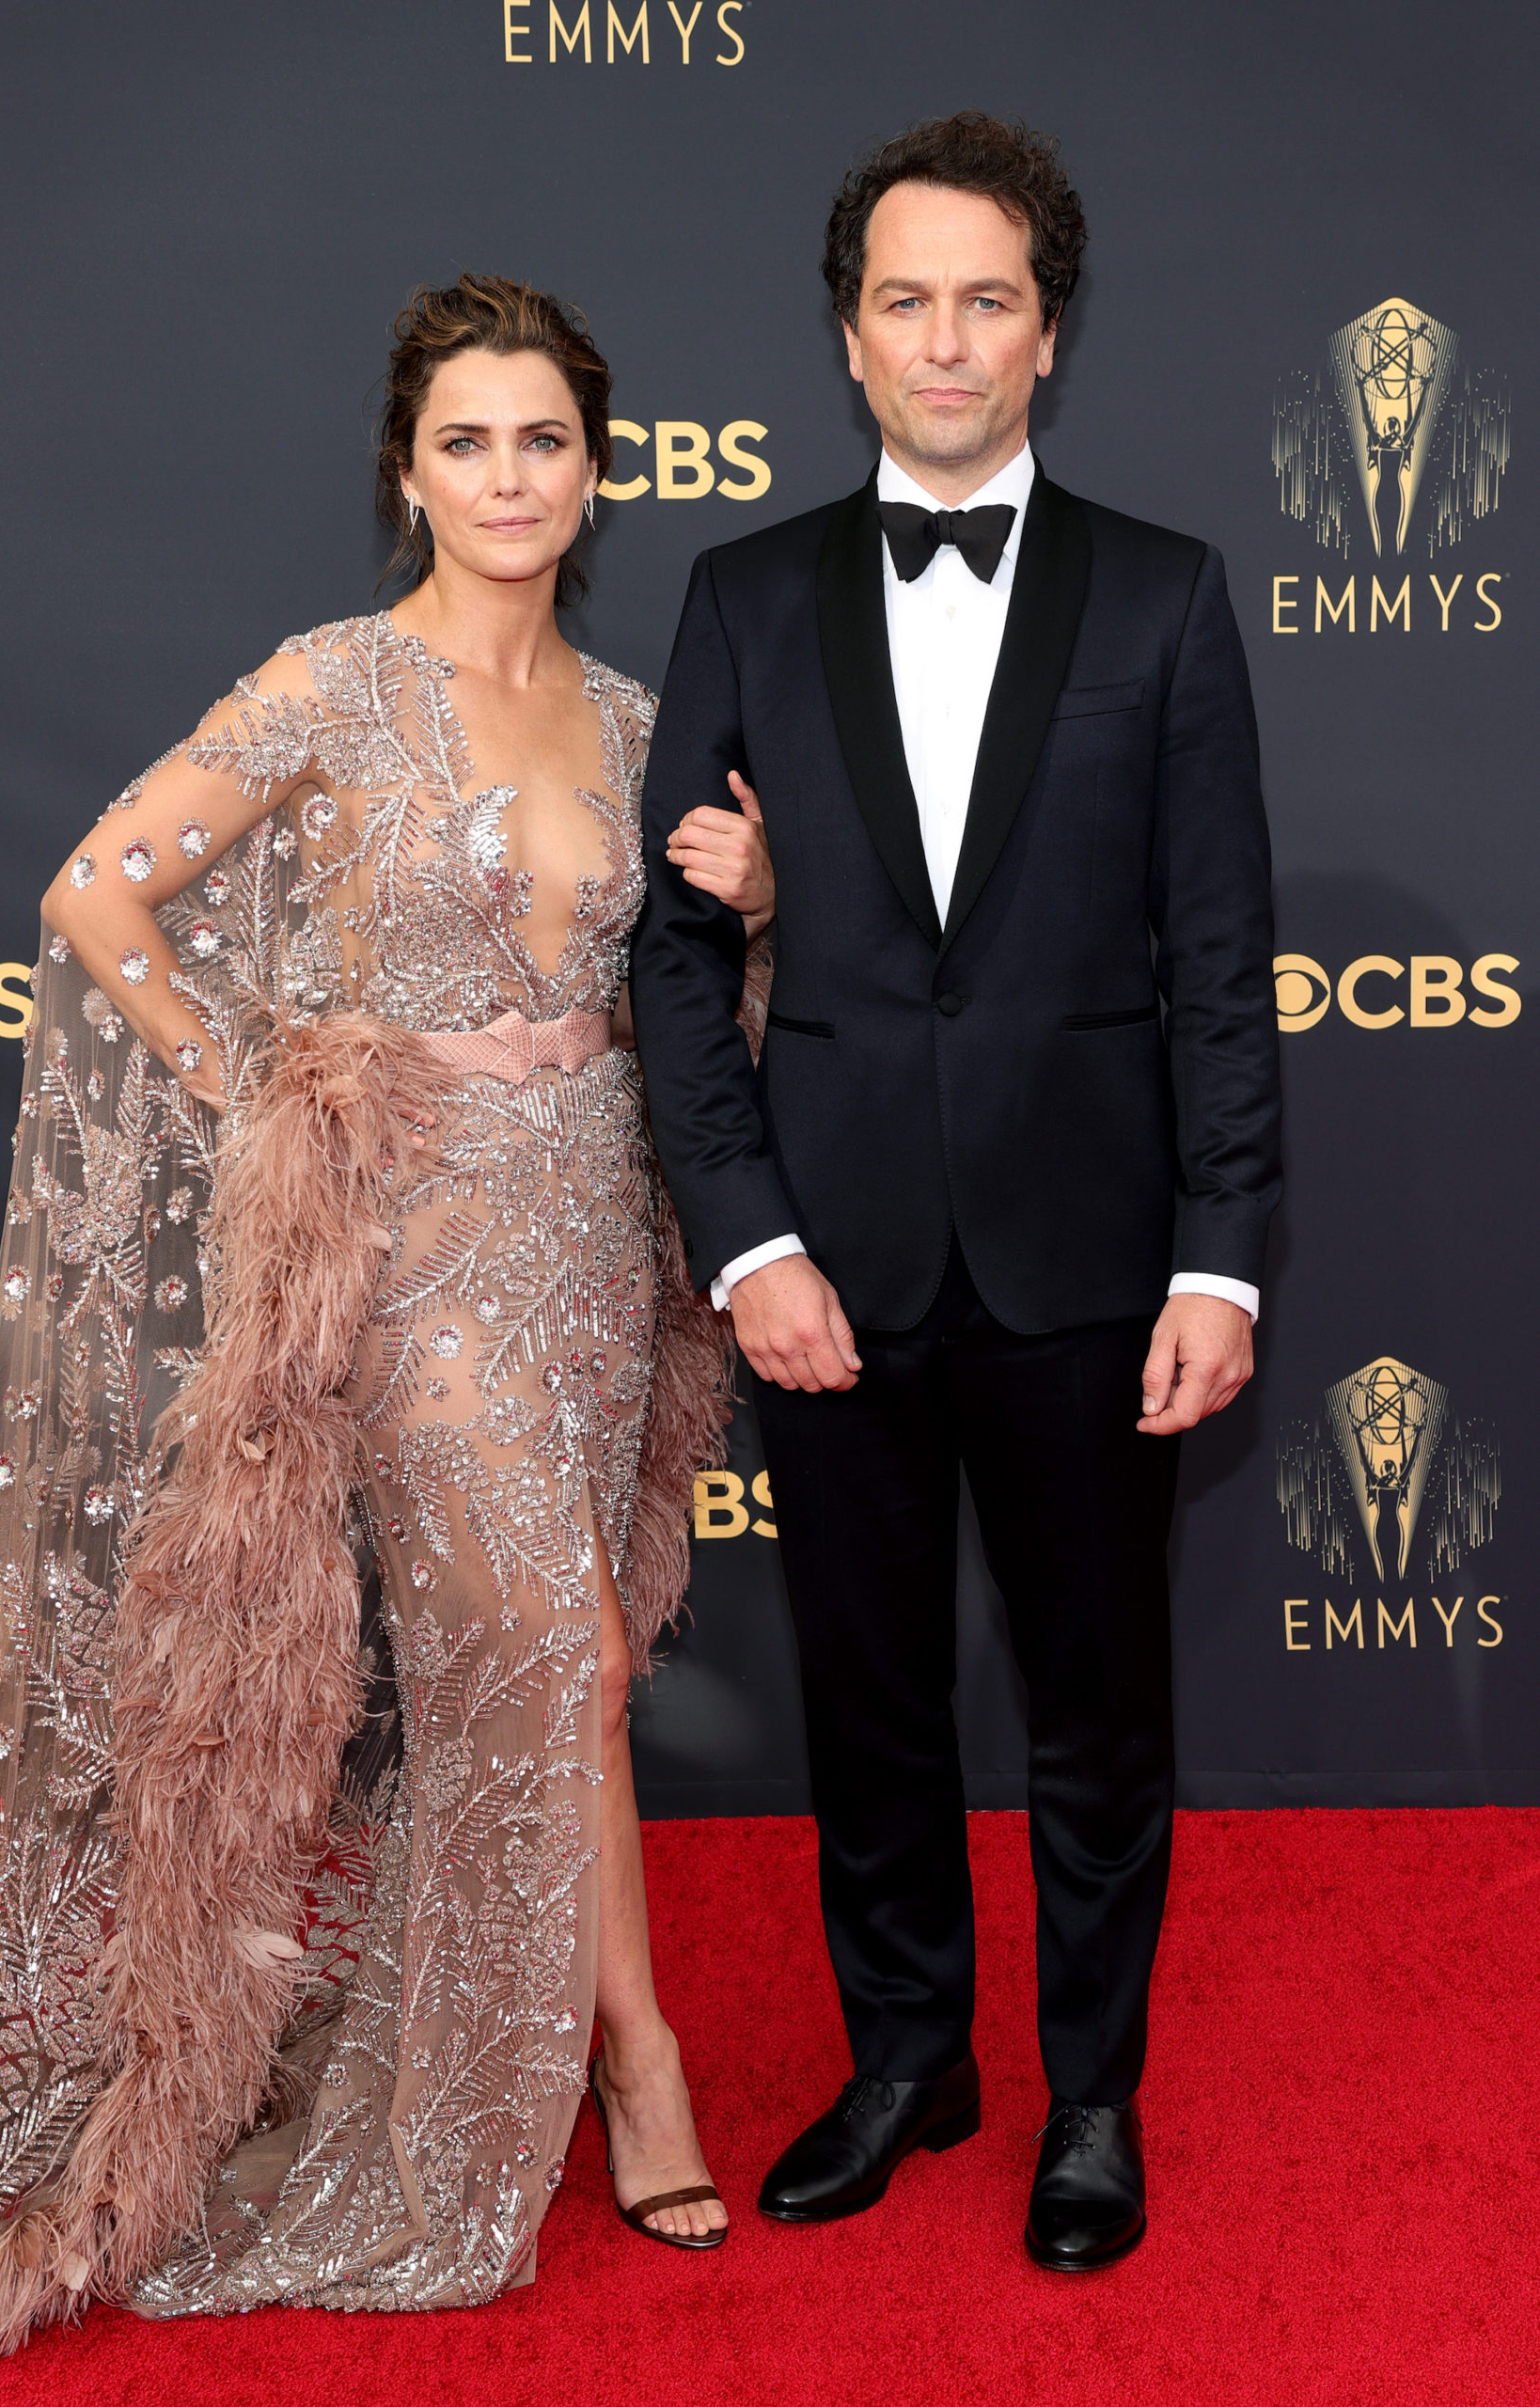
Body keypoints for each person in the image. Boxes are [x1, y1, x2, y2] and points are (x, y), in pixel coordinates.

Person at [0, 273, 776, 2368]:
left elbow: (682, 1004)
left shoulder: (637, 713)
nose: (508, 476)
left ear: (599, 470)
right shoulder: (326, 684)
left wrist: (748, 908)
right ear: (407, 469)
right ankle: (634, 2066)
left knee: (571, 1658)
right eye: (467, 439)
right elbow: (94, 887)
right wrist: (257, 1087)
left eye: (545, 439)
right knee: (548, 1647)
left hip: (595, 1230)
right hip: (408, 1252)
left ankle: (584, 2048)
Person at [634, 113, 1281, 2270]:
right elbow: (663, 953)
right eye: (901, 298)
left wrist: (1219, 1255)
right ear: (844, 336)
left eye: (983, 296)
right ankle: (910, 2049)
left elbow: (1214, 960)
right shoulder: (738, 595)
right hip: (828, 1261)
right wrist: (744, 1240)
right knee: (870, 1694)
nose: (942, 336)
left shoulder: (1167, 594)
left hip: (1093, 1258)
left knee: (1100, 1711)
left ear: (1045, 330)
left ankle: (1086, 2091)